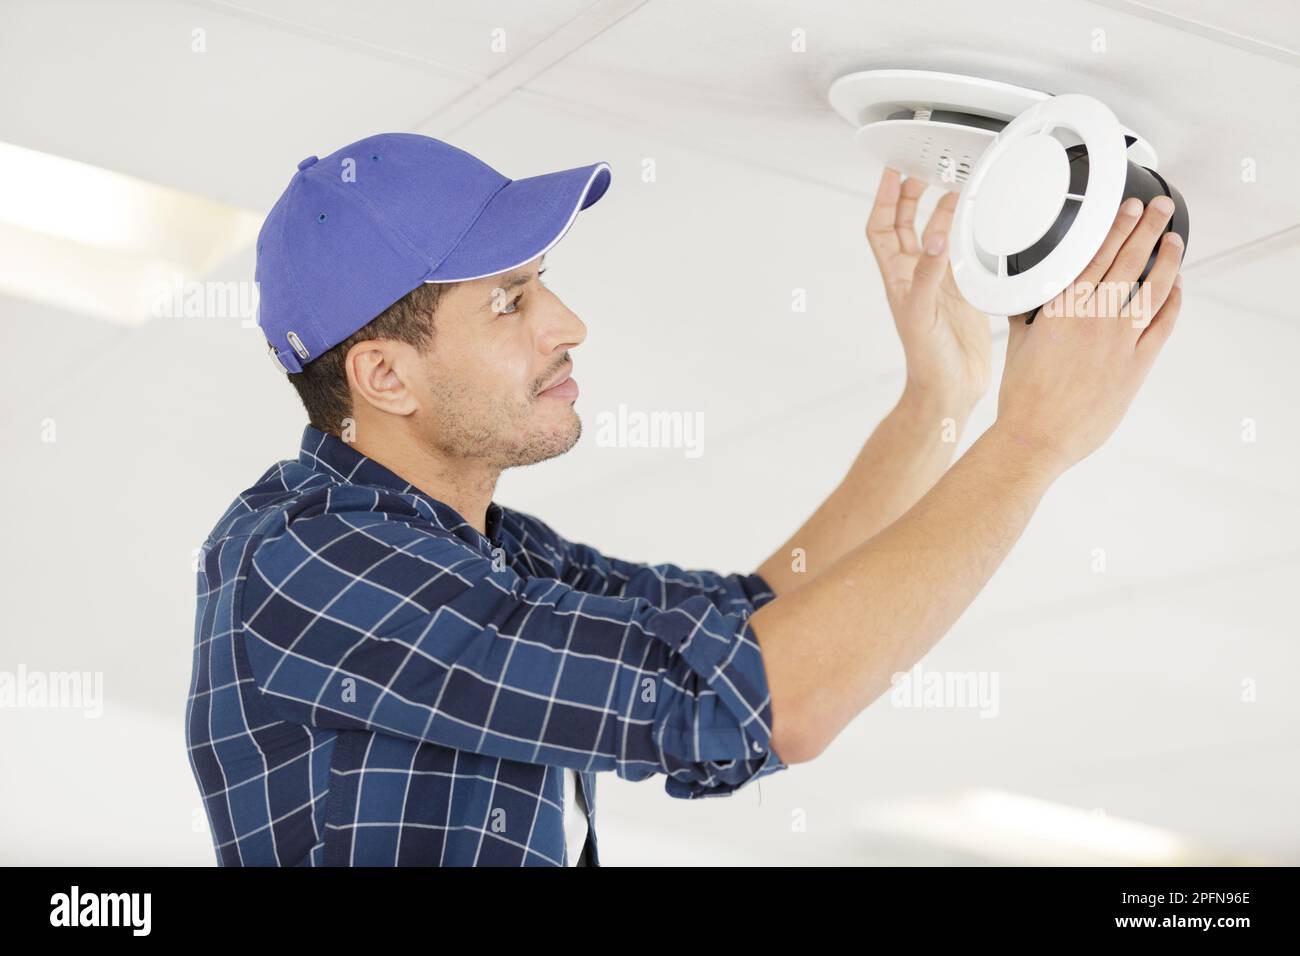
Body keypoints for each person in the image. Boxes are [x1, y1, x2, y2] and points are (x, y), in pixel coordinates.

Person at [185, 132, 1184, 867]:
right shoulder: (300, 556)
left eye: (544, 282)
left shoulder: (492, 555)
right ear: (385, 376)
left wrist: (939, 403)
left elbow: (750, 625)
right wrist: (1030, 443)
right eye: (510, 298)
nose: (568, 322)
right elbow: (756, 699)